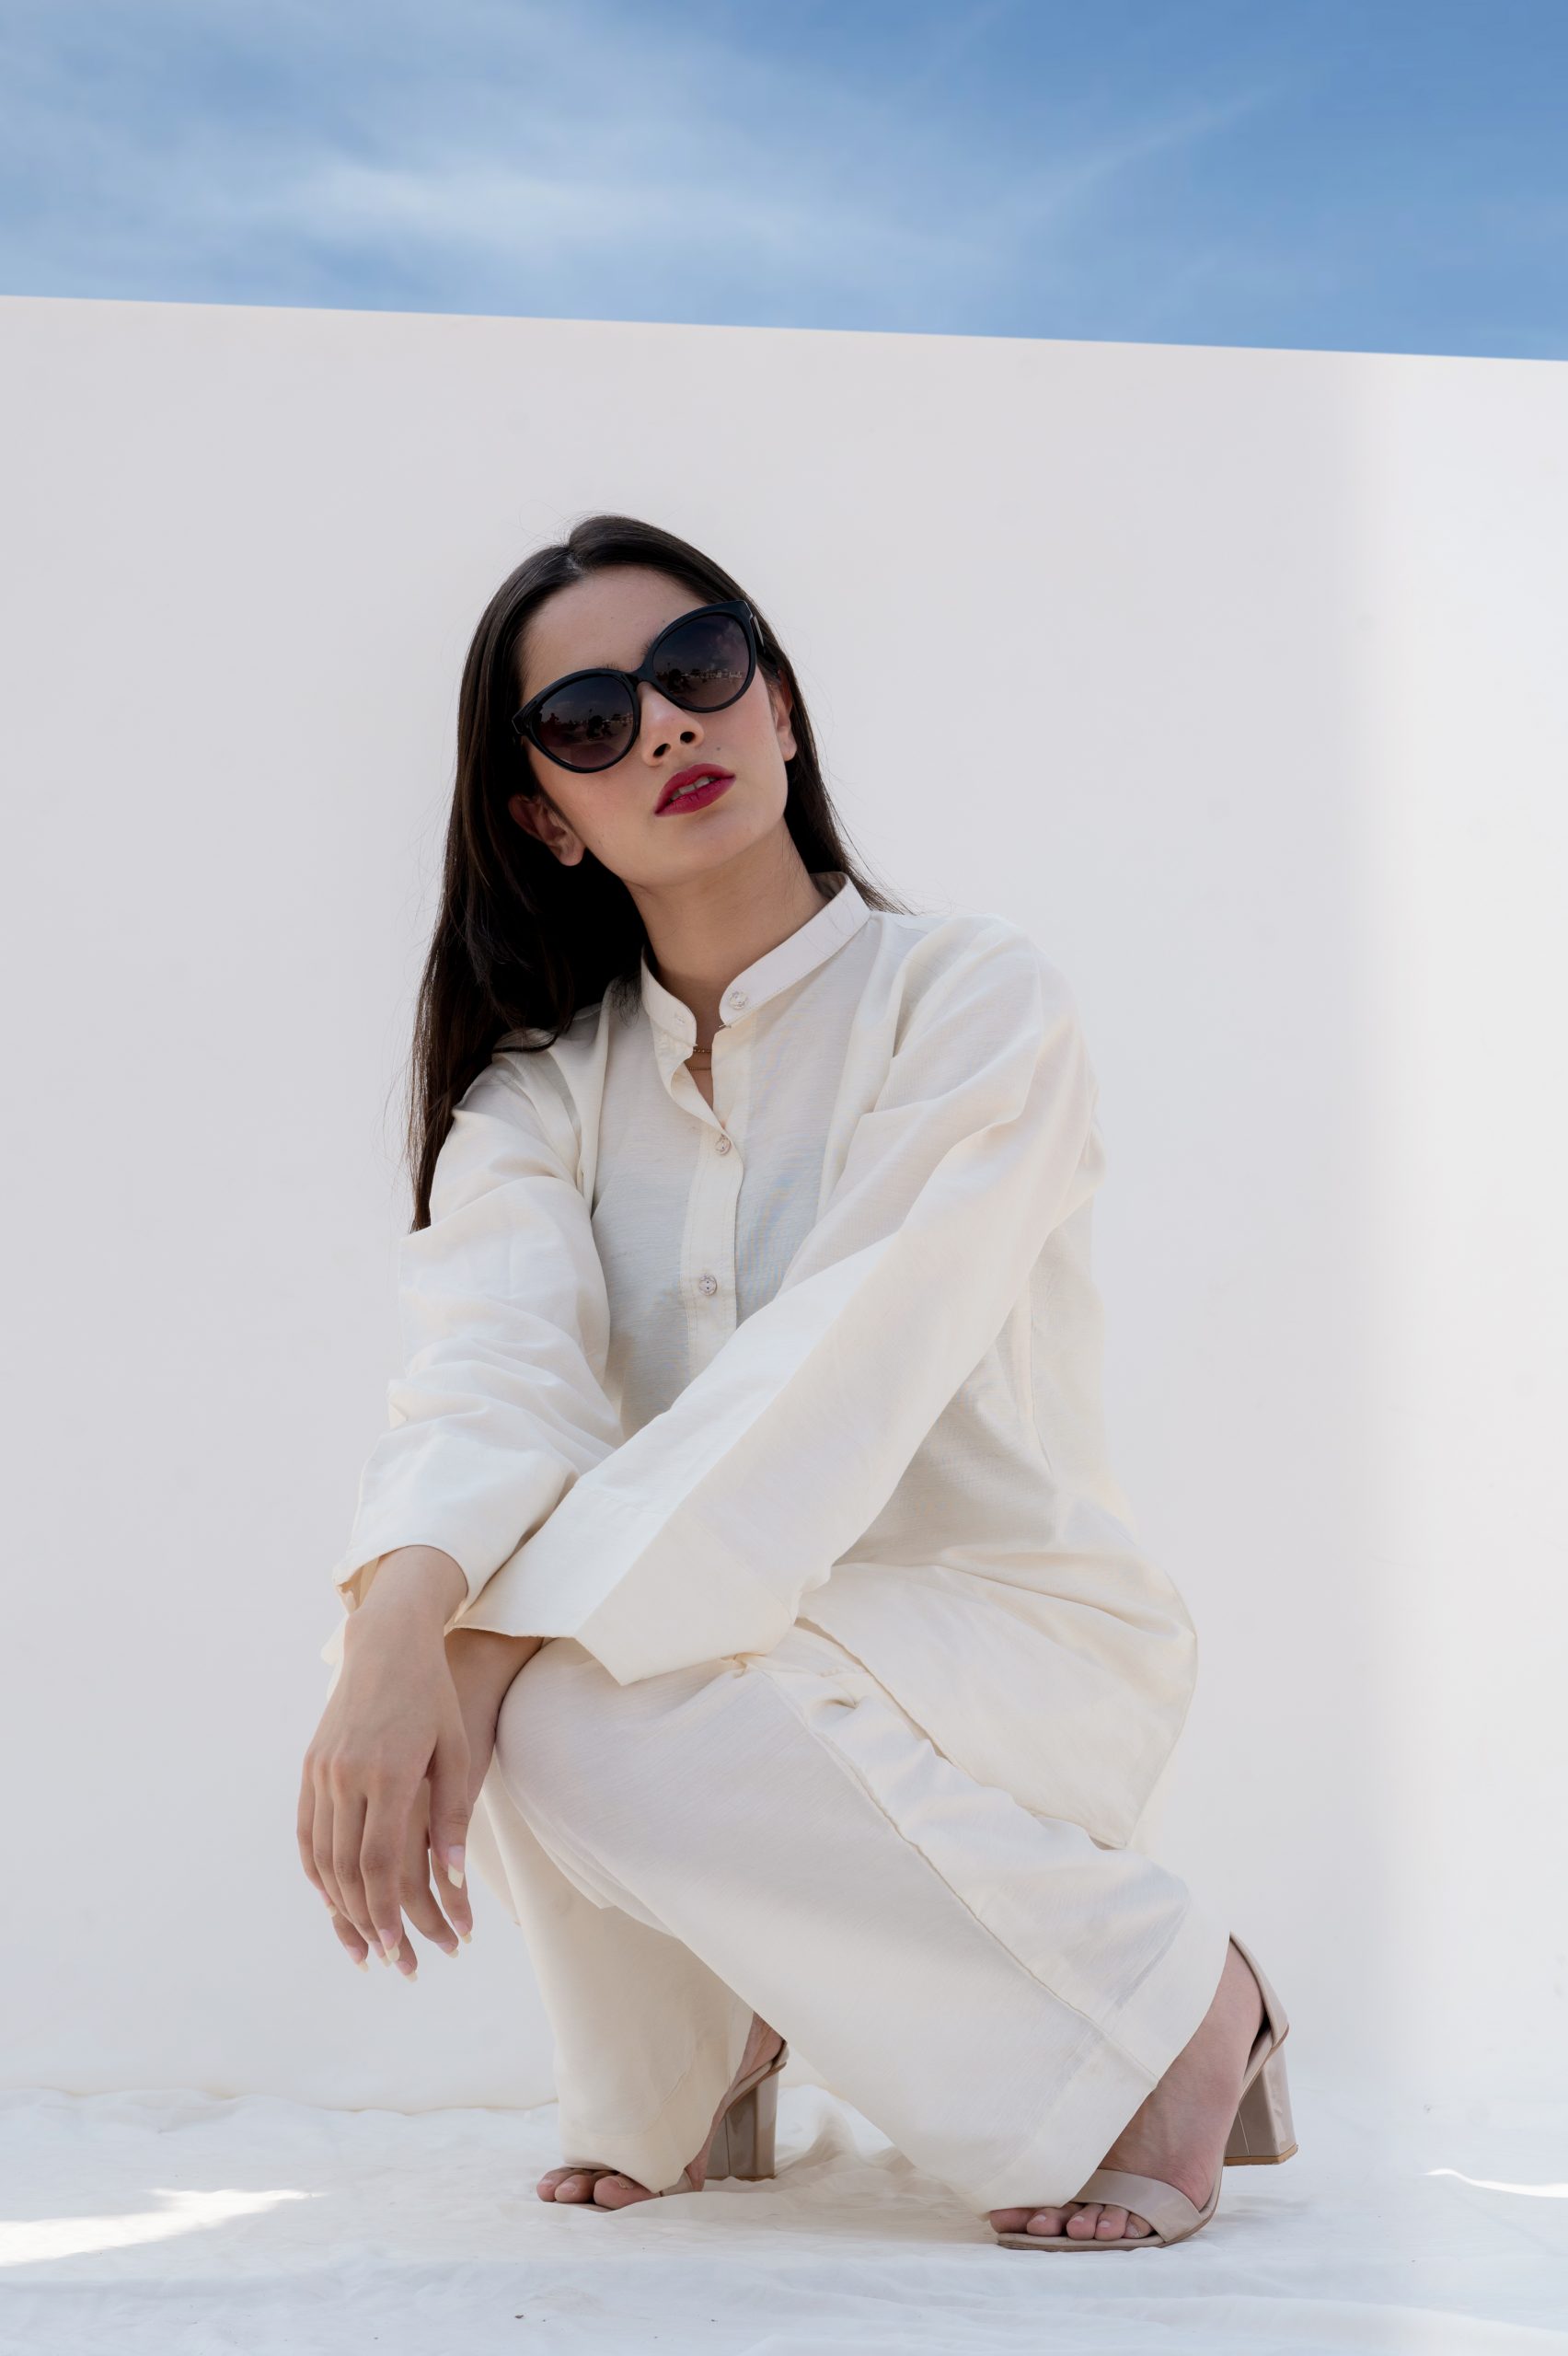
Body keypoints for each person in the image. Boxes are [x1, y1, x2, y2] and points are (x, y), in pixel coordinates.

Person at [297, 513, 1297, 2251]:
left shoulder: (973, 999)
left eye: (698, 668)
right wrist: (398, 1636)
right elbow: (491, 1383)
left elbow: (839, 1365)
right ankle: (708, 2036)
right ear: (546, 817)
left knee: (566, 1680)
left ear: (777, 704)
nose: (667, 727)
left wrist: (481, 1647)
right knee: (482, 1627)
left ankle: (1173, 2002)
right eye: (592, 720)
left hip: (1006, 1638)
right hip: (713, 1666)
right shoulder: (537, 1096)